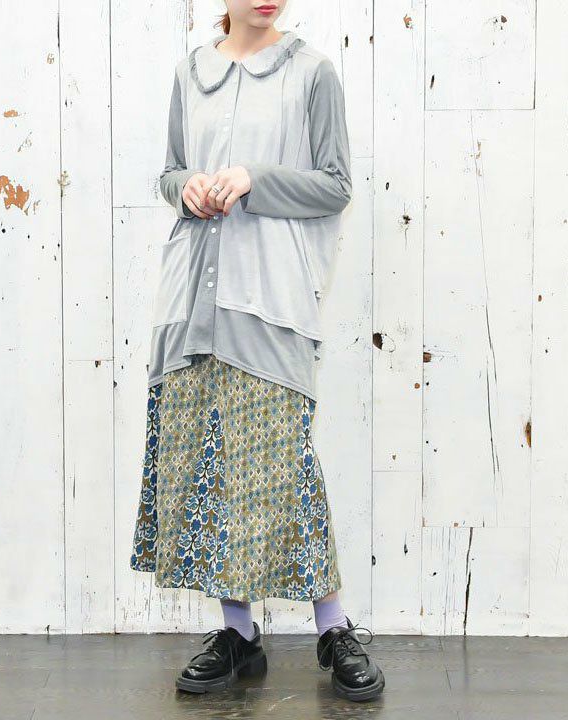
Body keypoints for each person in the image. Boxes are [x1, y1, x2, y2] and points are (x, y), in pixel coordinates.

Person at [129, 0, 385, 704]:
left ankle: (333, 627)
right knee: (210, 466)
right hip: (191, 303)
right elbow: (170, 172)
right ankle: (238, 634)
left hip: (269, 299)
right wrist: (186, 188)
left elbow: (335, 186)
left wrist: (252, 179)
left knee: (284, 465)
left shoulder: (311, 73)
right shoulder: (190, 73)